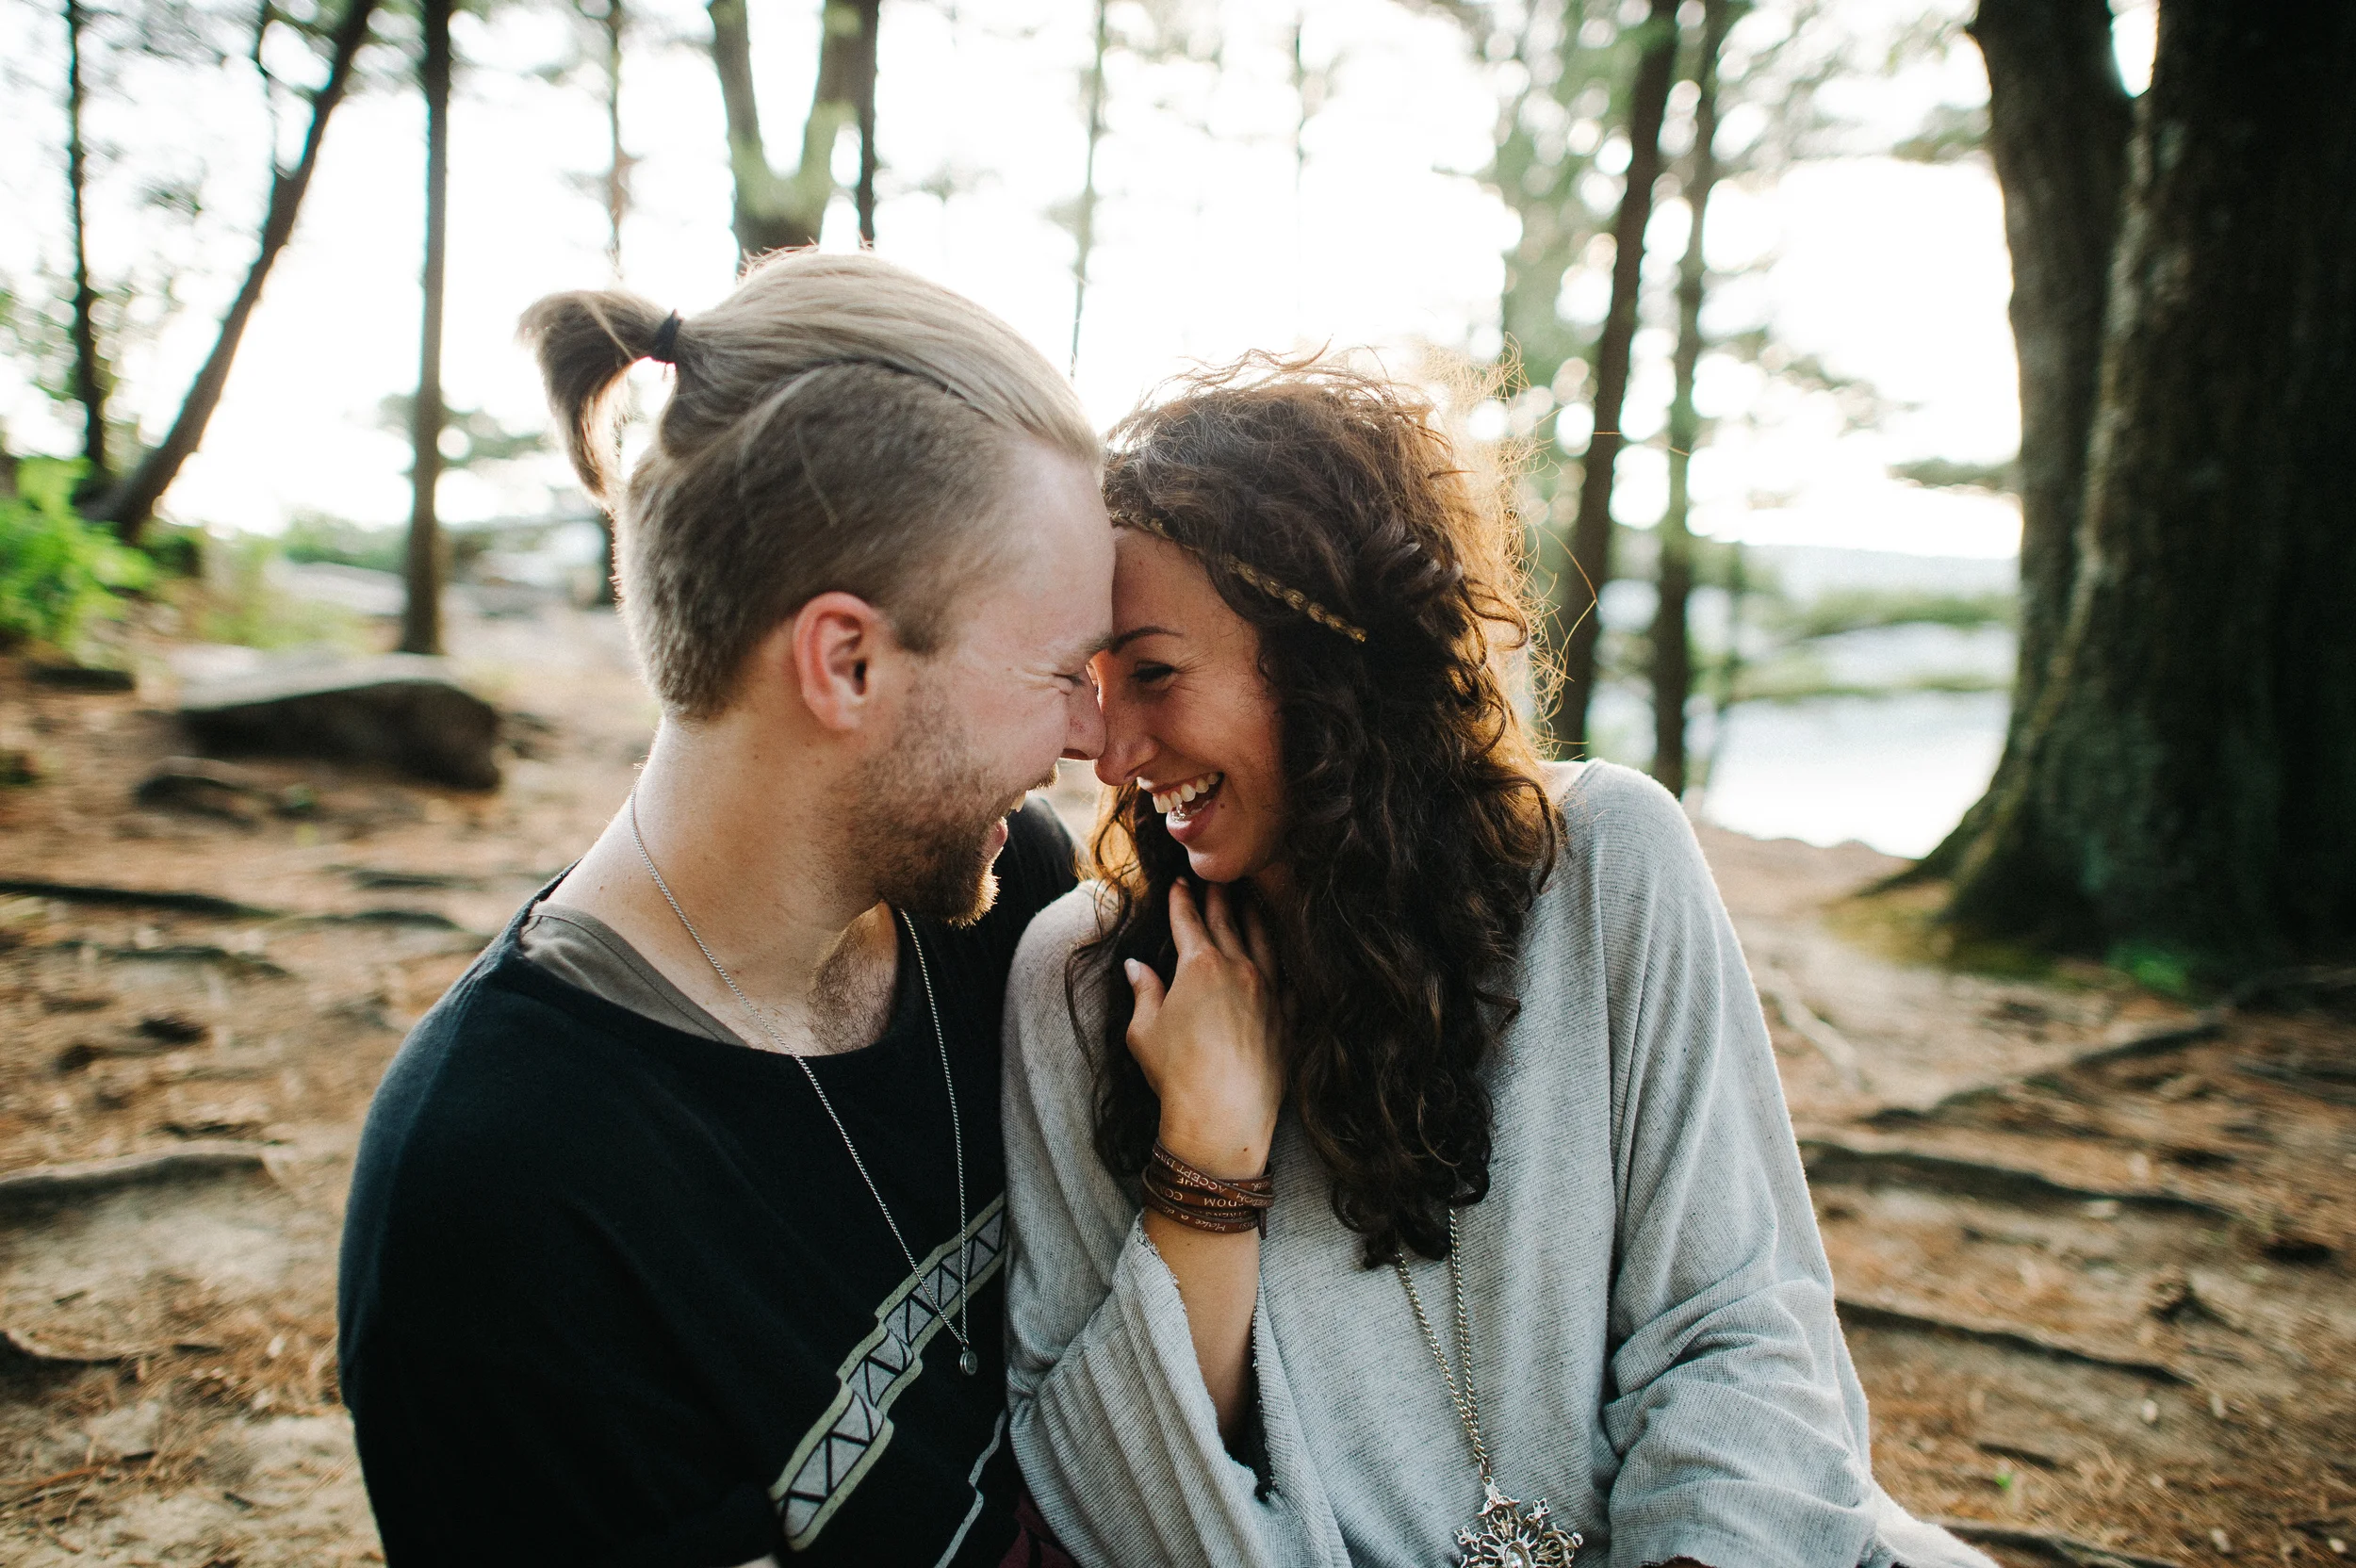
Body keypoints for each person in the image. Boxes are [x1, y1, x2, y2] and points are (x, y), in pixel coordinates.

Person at [1000, 356, 1998, 1568]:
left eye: (1154, 674)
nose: (1110, 754)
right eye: (1094, 685)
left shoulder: (1605, 865)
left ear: (1334, 655)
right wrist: (1204, 1164)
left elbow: (1739, 1324)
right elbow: (1108, 1495)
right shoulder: (1081, 982)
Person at [338, 249, 1112, 1567]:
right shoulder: (501, 1200)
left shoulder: (1010, 895)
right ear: (845, 660)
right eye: (1058, 670)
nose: (1094, 736)